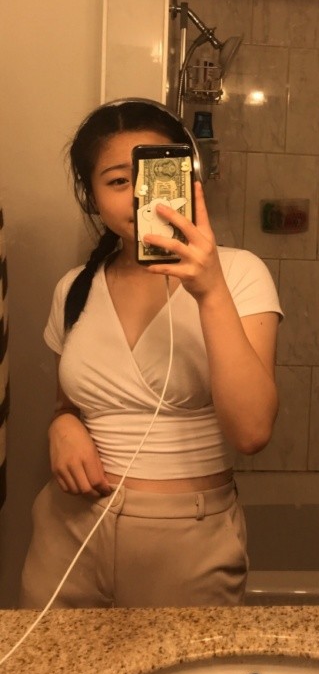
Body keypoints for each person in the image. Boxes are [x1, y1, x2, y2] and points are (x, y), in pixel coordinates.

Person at [20, 98, 282, 608]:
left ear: (188, 180)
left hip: (188, 540)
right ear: (92, 196)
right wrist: (62, 427)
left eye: (155, 176)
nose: (141, 195)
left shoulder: (240, 274)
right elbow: (65, 406)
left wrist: (210, 290)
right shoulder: (73, 288)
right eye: (118, 180)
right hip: (67, 530)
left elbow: (252, 432)